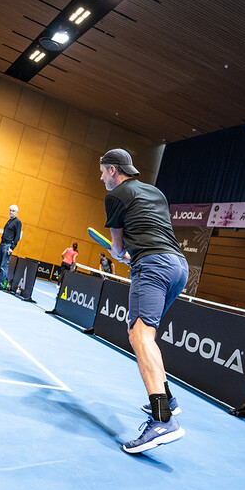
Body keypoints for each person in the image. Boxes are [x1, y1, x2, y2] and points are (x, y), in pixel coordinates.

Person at [99, 148, 189, 454]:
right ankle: (169, 401)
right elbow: (151, 231)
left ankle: (163, 419)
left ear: (113, 170)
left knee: (140, 336)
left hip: (151, 266)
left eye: (103, 172)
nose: (101, 178)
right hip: (178, 267)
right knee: (143, 334)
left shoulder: (116, 195)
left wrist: (120, 253)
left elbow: (116, 246)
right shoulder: (155, 192)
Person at [0, 204, 22, 288]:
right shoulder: (9, 221)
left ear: (17, 212)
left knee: (4, 265)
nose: (11, 212)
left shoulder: (18, 222)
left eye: (13, 211)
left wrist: (12, 248)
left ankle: (0, 284)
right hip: (2, 244)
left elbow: (17, 236)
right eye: (10, 210)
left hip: (8, 245)